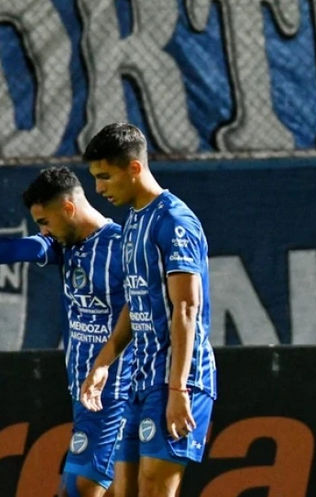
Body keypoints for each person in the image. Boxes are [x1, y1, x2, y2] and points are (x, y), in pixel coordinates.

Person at [79, 123, 217, 497]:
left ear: (135, 168)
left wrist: (178, 388)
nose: (99, 189)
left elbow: (187, 307)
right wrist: (103, 364)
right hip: (139, 379)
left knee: (155, 488)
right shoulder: (133, 223)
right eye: (94, 178)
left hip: (177, 377)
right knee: (122, 490)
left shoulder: (175, 222)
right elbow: (136, 302)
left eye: (105, 177)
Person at [0, 166, 133, 497]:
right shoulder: (67, 244)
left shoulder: (121, 248)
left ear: (68, 208)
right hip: (84, 392)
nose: (44, 231)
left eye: (45, 222)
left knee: (78, 489)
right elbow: (26, 248)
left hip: (112, 393)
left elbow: (145, 312)